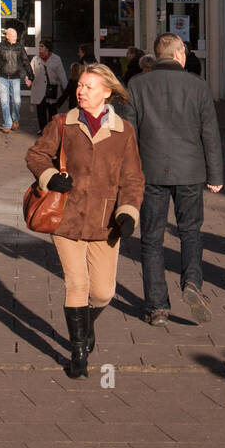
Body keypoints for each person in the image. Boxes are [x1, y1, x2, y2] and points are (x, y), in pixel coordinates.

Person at [26, 63, 145, 378]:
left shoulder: (124, 132)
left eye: (88, 87)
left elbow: (133, 179)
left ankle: (85, 325)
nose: (80, 91)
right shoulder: (63, 123)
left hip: (106, 224)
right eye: (79, 86)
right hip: (66, 217)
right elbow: (36, 155)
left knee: (104, 292)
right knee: (77, 283)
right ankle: (78, 351)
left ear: (107, 92)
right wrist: (50, 178)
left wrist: (128, 213)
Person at [129, 31, 223, 326]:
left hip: (151, 171)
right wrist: (215, 174)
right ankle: (192, 282)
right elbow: (209, 132)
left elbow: (129, 135)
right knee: (191, 231)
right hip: (190, 171)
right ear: (179, 54)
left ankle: (157, 306)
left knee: (151, 239)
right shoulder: (197, 85)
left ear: (158, 55)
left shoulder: (137, 85)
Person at [0, 25, 34, 131]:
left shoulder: (19, 47)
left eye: (16, 36)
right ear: (7, 36)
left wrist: (30, 77)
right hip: (2, 77)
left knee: (17, 101)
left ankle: (15, 119)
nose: (15, 38)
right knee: (4, 101)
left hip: (16, 77)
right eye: (12, 36)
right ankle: (7, 124)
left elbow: (25, 62)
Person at [30, 39, 67, 132]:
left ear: (47, 48)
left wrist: (66, 89)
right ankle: (42, 129)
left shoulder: (56, 59)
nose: (39, 48)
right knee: (41, 111)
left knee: (52, 111)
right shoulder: (35, 59)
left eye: (42, 46)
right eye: (39, 46)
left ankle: (52, 130)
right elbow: (30, 72)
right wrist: (28, 79)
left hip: (52, 89)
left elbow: (61, 74)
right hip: (39, 89)